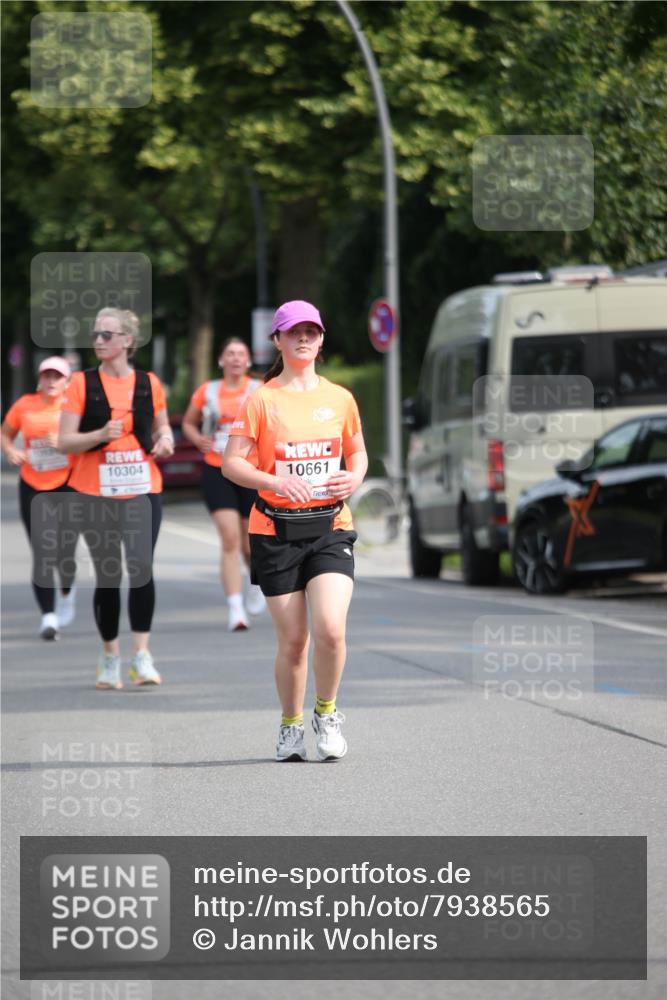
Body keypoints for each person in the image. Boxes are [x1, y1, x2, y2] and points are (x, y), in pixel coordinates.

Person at [223, 300, 368, 762]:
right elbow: (231, 464)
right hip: (275, 530)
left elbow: (358, 452)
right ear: (278, 340)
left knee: (331, 629)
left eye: (311, 331)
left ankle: (326, 713)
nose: (303, 338)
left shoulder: (340, 398)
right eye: (293, 332)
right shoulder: (261, 400)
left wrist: (354, 477)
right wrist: (275, 481)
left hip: (331, 526)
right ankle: (290, 724)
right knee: (294, 642)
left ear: (321, 340)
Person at [58, 307, 174, 690]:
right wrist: (99, 435)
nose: (98, 341)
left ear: (127, 340)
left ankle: (141, 656)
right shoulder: (81, 383)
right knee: (108, 575)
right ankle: (110, 656)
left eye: (106, 334)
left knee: (141, 569)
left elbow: (161, 425)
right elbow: (64, 441)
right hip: (94, 493)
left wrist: (165, 439)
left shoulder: (149, 383)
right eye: (95, 334)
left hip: (143, 489)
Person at [182, 337, 265, 631]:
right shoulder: (207, 391)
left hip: (250, 470)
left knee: (249, 543)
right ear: (221, 360)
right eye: (230, 353)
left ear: (248, 360)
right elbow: (188, 423)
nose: (235, 358)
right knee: (229, 539)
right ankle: (235, 609)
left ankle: (256, 582)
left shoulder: (259, 390)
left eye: (241, 354)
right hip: (217, 469)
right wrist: (197, 439)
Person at [1, 356, 77, 640]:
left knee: (65, 551)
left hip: (68, 483)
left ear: (67, 382)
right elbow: (5, 433)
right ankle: (48, 617)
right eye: (47, 375)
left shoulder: (74, 407)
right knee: (43, 552)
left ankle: (66, 592)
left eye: (58, 376)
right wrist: (11, 451)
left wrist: (67, 443)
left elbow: (91, 441)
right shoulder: (25, 404)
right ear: (39, 379)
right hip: (33, 484)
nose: (51, 381)